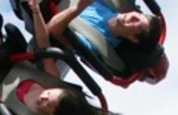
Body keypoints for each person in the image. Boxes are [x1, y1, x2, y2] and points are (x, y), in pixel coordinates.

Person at [38, 0, 166, 82]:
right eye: (138, 16)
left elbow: (52, 29)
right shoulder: (120, 4)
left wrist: (78, 8)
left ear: (132, 38)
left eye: (136, 24)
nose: (133, 17)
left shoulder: (94, 43)